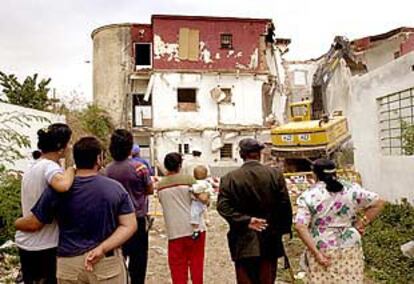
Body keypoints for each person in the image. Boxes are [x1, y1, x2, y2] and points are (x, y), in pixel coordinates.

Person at [15, 136, 137, 284]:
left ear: (75, 159)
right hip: (105, 263)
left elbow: (35, 222)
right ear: (99, 159)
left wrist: (15, 223)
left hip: (68, 264)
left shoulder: (55, 191)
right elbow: (129, 225)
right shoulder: (114, 189)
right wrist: (102, 248)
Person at [294, 158, 385, 283]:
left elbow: (300, 226)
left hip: (322, 245)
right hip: (350, 244)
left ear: (314, 174)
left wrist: (316, 253)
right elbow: (379, 202)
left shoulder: (309, 195)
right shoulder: (352, 189)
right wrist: (360, 224)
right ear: (335, 172)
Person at [217, 138, 292, 284]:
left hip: (242, 240)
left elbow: (223, 207)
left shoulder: (229, 178)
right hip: (269, 238)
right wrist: (283, 229)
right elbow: (284, 205)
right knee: (267, 279)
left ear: (241, 154)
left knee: (245, 279)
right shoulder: (274, 175)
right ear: (259, 154)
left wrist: (247, 220)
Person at [15, 123, 75, 284]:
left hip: (26, 243)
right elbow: (62, 186)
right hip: (44, 245)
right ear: (60, 148)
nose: (70, 147)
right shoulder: (50, 168)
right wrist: (71, 170)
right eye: (68, 143)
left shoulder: (33, 166)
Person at [105, 129, 153, 284]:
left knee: (119, 256)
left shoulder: (106, 171)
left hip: (114, 221)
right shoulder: (140, 168)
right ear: (130, 147)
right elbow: (149, 190)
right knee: (139, 259)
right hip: (137, 219)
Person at [157, 152, 208, 284]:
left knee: (178, 269)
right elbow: (203, 200)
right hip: (195, 230)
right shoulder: (189, 181)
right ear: (180, 165)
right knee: (197, 265)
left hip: (174, 232)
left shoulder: (160, 186)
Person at [190, 165, 213, 240]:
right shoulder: (207, 183)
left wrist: (190, 189)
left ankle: (196, 230)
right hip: (202, 204)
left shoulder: (198, 183)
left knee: (194, 215)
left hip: (197, 203)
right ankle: (203, 225)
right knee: (201, 214)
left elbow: (196, 190)